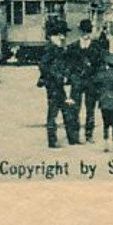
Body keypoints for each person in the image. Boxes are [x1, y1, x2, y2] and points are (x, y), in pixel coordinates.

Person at [37, 20, 79, 148]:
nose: (63, 37)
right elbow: (44, 66)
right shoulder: (50, 49)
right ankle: (54, 140)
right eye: (61, 35)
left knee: (63, 110)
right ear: (53, 35)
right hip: (54, 85)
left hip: (57, 84)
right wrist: (58, 76)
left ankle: (70, 139)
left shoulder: (57, 48)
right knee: (55, 112)